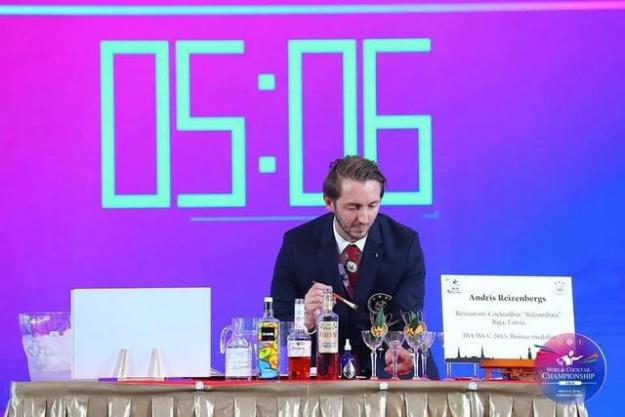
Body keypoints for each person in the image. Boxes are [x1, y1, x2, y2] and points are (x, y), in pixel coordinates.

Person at [270, 156, 437, 378]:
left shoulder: (404, 244)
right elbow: (280, 323)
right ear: (329, 202)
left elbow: (408, 315)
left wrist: (399, 348)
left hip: (389, 368)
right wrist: (305, 321)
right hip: (323, 373)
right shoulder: (298, 244)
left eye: (372, 206)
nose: (364, 218)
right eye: (353, 207)